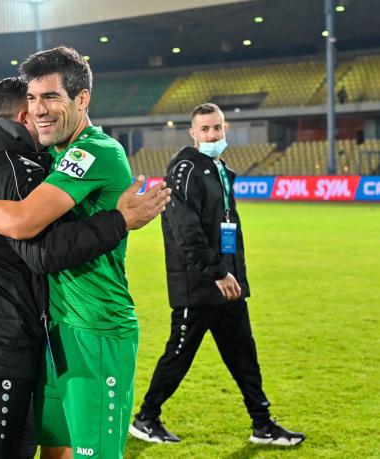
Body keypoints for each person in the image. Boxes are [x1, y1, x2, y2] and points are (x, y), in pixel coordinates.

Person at [0, 46, 171, 459]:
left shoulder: (94, 150)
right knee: (56, 448)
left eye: (51, 97)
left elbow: (24, 222)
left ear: (82, 100)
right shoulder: (52, 153)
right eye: (32, 98)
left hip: (96, 328)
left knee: (91, 453)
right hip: (52, 330)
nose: (38, 110)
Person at [129, 103, 305, 447]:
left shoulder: (219, 169)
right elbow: (186, 229)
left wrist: (232, 274)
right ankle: (146, 419)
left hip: (228, 282)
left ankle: (262, 423)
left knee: (243, 355)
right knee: (178, 355)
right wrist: (215, 273)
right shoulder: (184, 169)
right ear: (193, 133)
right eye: (206, 129)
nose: (213, 134)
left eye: (218, 128)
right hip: (200, 285)